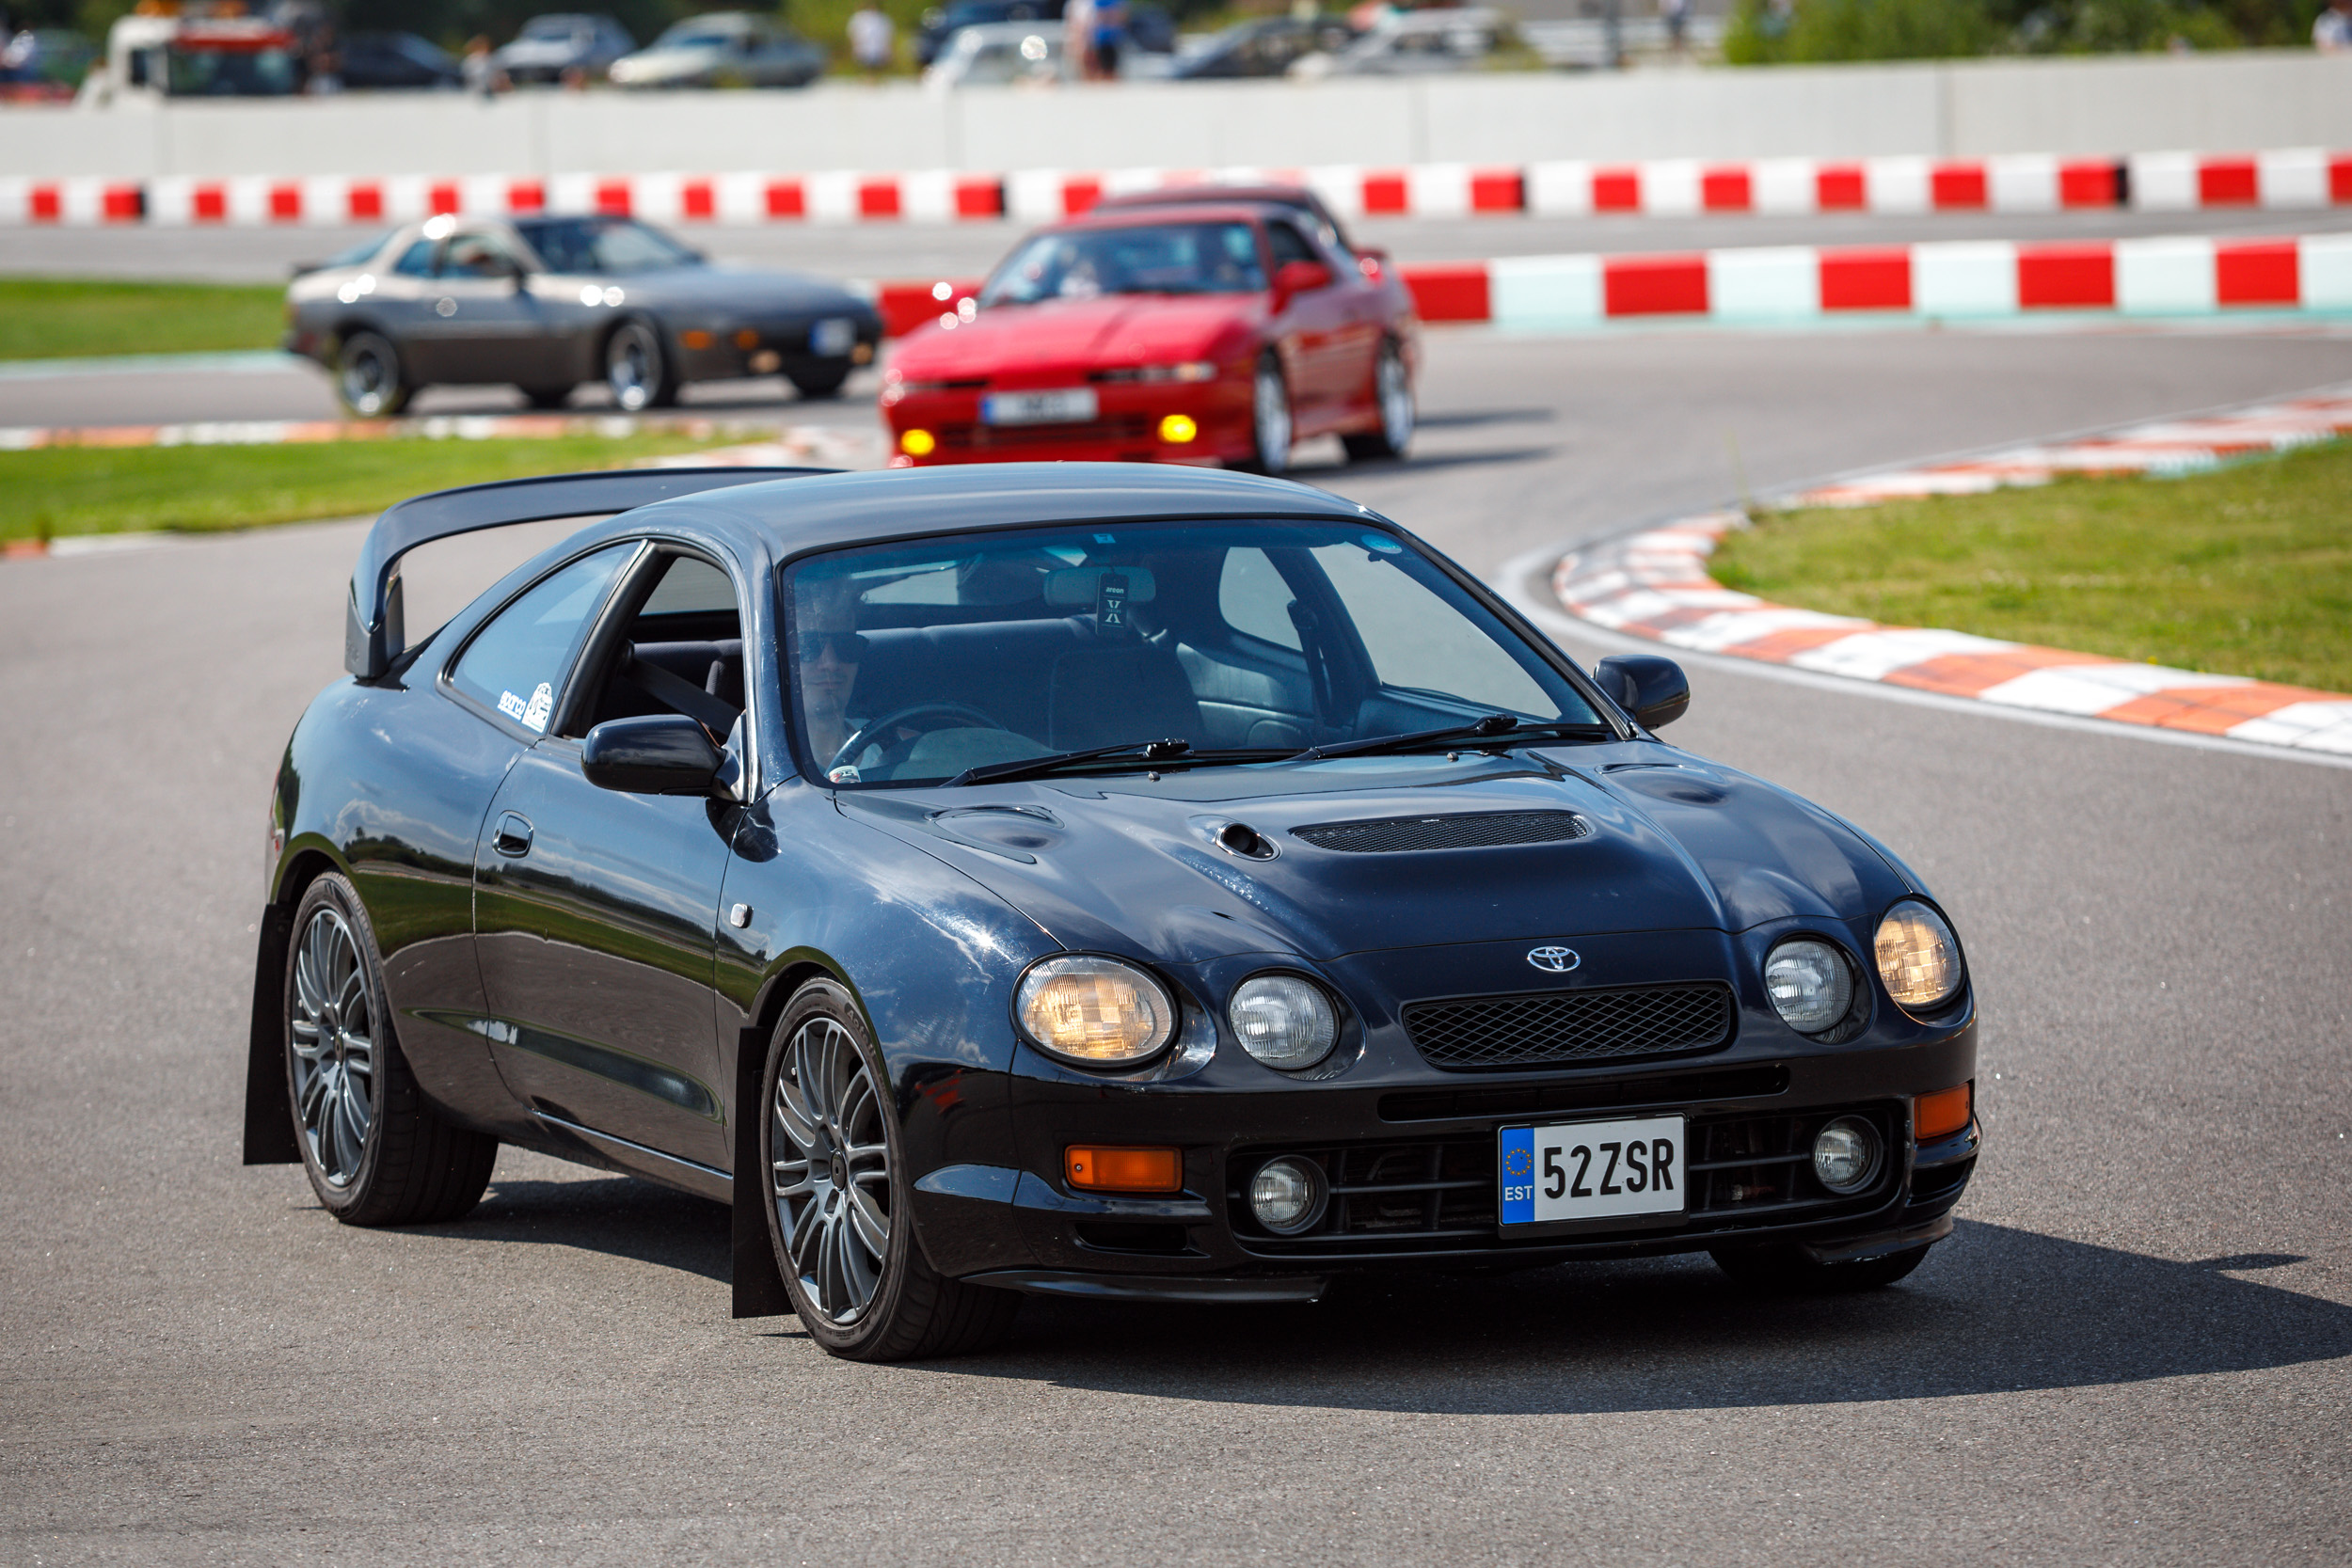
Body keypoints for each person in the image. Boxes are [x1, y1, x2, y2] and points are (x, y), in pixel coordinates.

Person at [848, 2, 894, 75]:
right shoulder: (859, 17)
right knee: (865, 64)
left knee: (878, 65)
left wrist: (887, 48)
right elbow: (853, 32)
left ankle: (874, 76)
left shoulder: (883, 19)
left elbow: (888, 34)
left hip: (878, 48)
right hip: (864, 47)